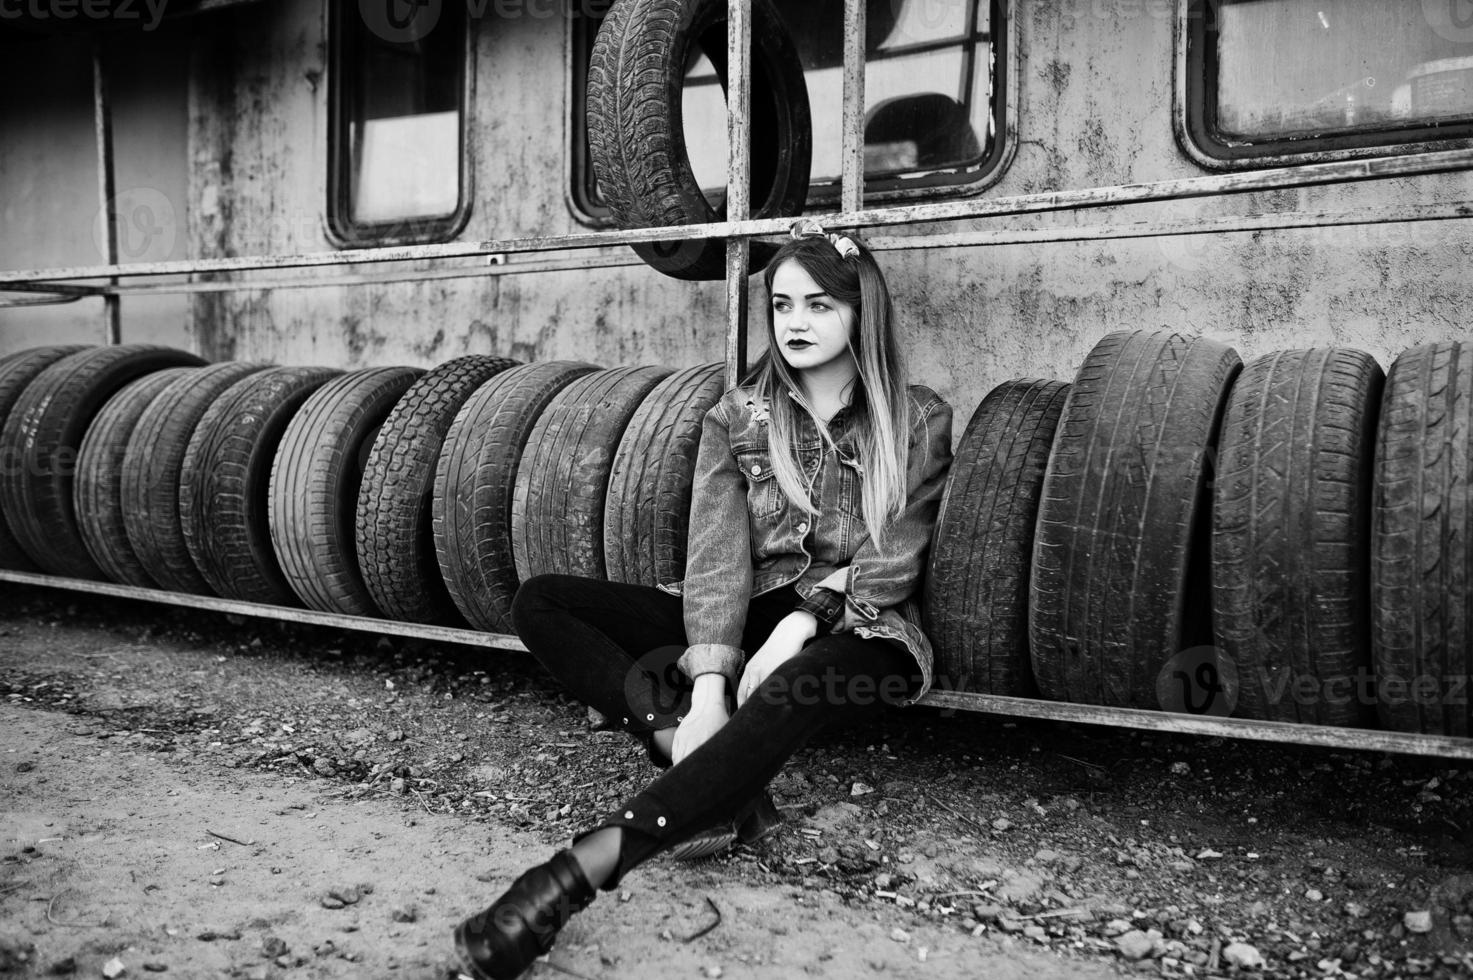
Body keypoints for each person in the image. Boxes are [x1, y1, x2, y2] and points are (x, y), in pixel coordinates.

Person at [453, 219, 954, 980]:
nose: (795, 323)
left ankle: (575, 873)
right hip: (747, 613)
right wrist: (711, 685)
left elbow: (893, 556)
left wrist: (802, 620)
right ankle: (689, 754)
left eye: (819, 305)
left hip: (863, 630)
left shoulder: (915, 417)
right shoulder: (738, 418)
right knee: (544, 602)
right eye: (782, 305)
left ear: (861, 311)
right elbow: (716, 558)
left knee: (798, 676)